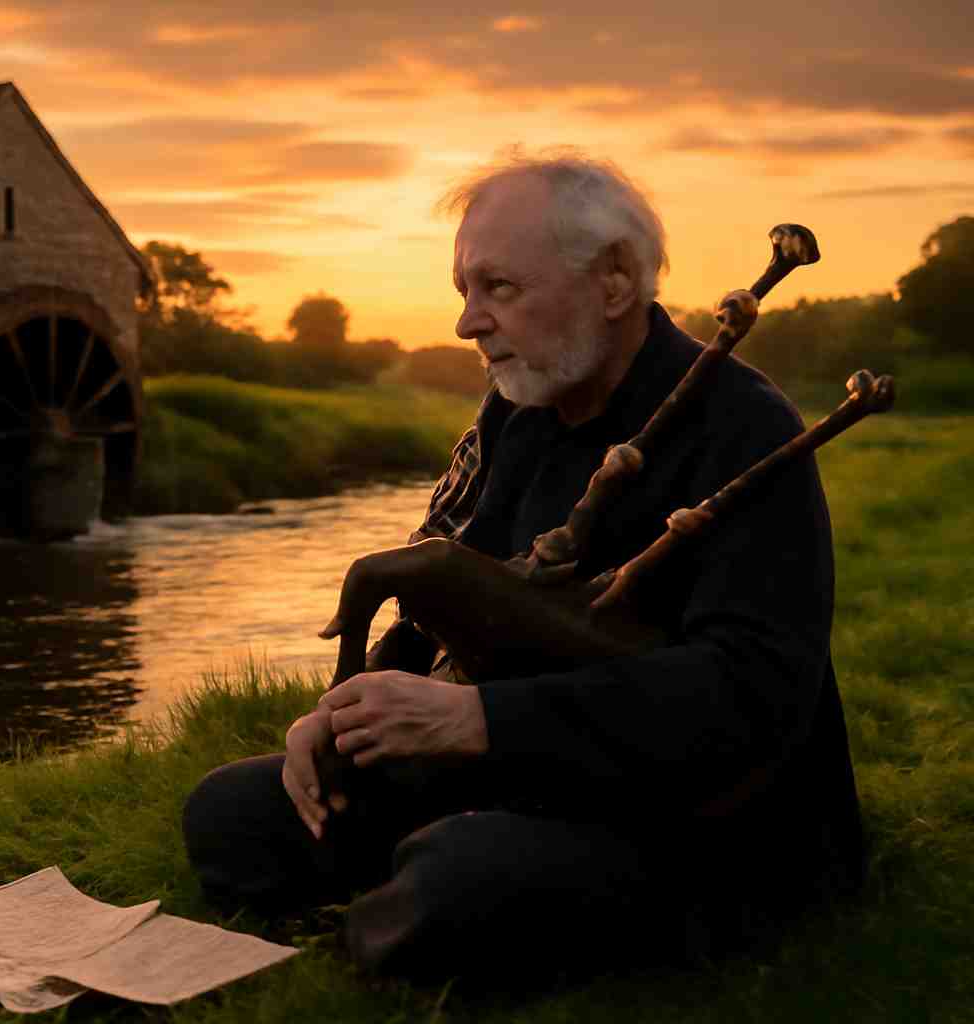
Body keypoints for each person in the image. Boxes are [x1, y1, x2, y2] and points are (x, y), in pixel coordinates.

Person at [180, 151, 863, 985]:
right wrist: (339, 718)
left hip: (709, 815)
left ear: (614, 283)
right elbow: (446, 596)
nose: (468, 323)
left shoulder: (746, 426)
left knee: (463, 876)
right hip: (534, 781)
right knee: (231, 812)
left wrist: (482, 723)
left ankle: (392, 916)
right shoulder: (520, 411)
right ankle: (405, 904)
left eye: (499, 289)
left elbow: (753, 693)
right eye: (464, 291)